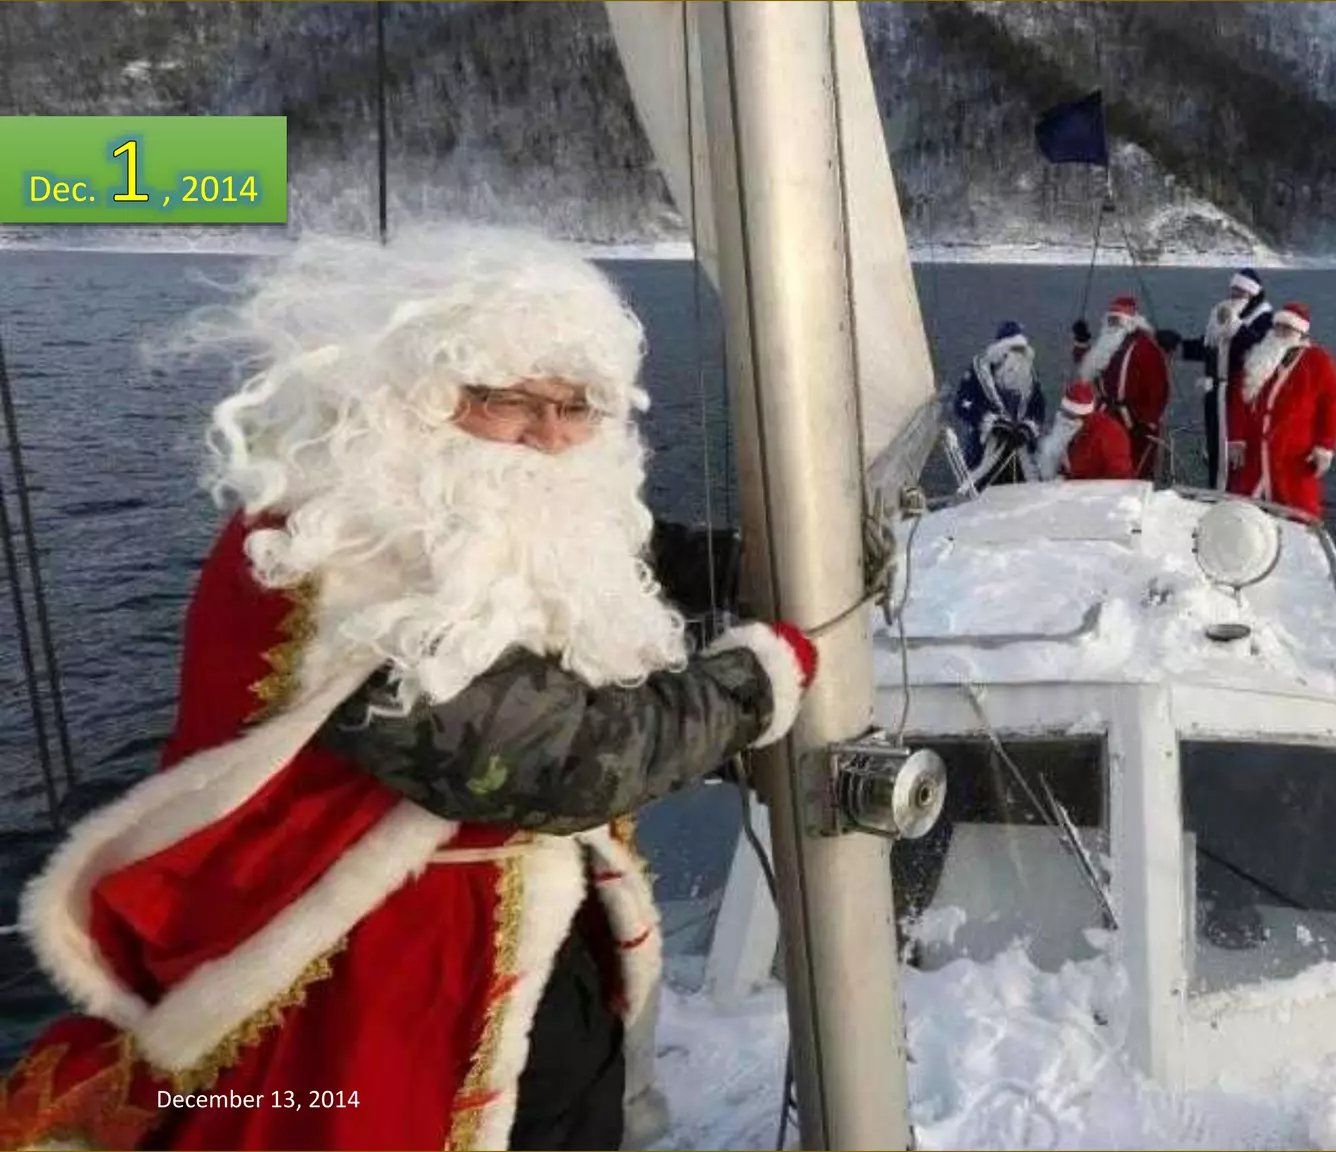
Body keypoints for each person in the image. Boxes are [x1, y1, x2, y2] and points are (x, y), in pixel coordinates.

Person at [0, 228, 819, 1152]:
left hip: (531, 948)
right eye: (508, 400)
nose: (551, 438)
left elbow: (600, 549)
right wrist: (760, 679)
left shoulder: (474, 497)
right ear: (413, 396)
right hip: (371, 977)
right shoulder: (337, 547)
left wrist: (756, 565)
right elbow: (555, 760)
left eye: (579, 407)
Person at [1225, 303, 1336, 521]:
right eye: (1277, 326)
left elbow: (1332, 406)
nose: (1279, 332)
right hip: (1254, 454)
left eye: (1286, 328)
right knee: (1244, 511)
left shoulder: (1318, 361)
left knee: (1298, 514)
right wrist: (1237, 439)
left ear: (1300, 332)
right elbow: (1239, 401)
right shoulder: (1258, 358)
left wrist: (1325, 446)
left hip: (1293, 457)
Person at [1172, 268, 1274, 489]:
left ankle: (1225, 495)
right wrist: (1177, 347)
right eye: (1233, 289)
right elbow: (1207, 347)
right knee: (1215, 448)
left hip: (1236, 395)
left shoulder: (1264, 318)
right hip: (1214, 391)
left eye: (1241, 290)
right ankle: (1215, 489)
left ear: (1252, 294)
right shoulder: (1223, 313)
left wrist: (1235, 326)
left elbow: (1259, 348)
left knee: (1229, 450)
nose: (1235, 294)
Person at [1071, 295, 1170, 483]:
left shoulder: (1145, 347)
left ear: (1129, 321)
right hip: (1105, 413)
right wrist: (1081, 340)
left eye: (1117, 319)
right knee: (1099, 459)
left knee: (1131, 466)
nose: (1113, 323)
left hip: (1133, 420)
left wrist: (1148, 420)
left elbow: (1159, 388)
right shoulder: (1105, 344)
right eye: (1110, 319)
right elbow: (1086, 363)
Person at [952, 320, 1046, 487]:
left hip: (1020, 453)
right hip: (986, 453)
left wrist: (1028, 428)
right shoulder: (979, 371)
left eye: (1021, 350)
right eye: (1013, 349)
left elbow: (1038, 408)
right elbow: (961, 404)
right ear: (1000, 351)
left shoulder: (1030, 374)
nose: (1019, 355)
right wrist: (990, 422)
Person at [1036, 381, 1134, 481]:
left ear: (1085, 417)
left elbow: (1120, 480)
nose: (1064, 420)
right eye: (1063, 413)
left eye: (1070, 416)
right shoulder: (1061, 427)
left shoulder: (1110, 434)